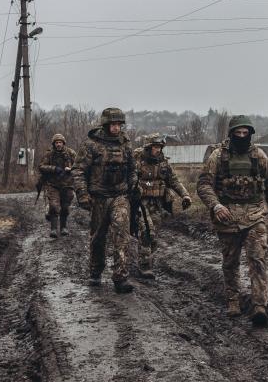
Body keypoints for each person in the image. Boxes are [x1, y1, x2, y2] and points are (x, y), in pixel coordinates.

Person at [197, 116, 268, 325]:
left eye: (245, 133)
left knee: (257, 258)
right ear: (231, 134)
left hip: (254, 216)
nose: (241, 137)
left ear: (250, 134)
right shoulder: (218, 156)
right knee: (230, 262)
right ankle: (233, 300)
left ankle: (259, 305)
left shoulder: (259, 156)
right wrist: (216, 206)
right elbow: (204, 184)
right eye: (238, 133)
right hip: (227, 217)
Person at [73, 107, 138, 293]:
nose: (117, 128)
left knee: (122, 235)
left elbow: (133, 168)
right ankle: (95, 271)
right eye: (113, 124)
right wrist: (83, 194)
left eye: (119, 124)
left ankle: (121, 277)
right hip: (99, 198)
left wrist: (133, 183)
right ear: (106, 124)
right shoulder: (91, 145)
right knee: (98, 238)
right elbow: (78, 171)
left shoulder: (126, 144)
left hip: (120, 196)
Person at [133, 133, 193, 279]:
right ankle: (144, 266)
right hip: (140, 203)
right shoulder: (137, 162)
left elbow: (174, 181)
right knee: (147, 231)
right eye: (155, 147)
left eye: (160, 147)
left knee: (154, 237)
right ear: (148, 147)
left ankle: (145, 260)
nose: (158, 150)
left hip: (157, 203)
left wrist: (185, 195)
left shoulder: (164, 163)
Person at [37, 133, 77, 238]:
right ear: (54, 144)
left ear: (63, 143)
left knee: (65, 207)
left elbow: (79, 166)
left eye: (60, 142)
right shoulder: (49, 154)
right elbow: (41, 166)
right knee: (54, 206)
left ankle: (63, 227)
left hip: (67, 185)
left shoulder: (71, 153)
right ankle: (54, 229)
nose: (58, 144)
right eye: (56, 142)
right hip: (53, 185)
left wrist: (70, 169)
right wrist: (54, 169)